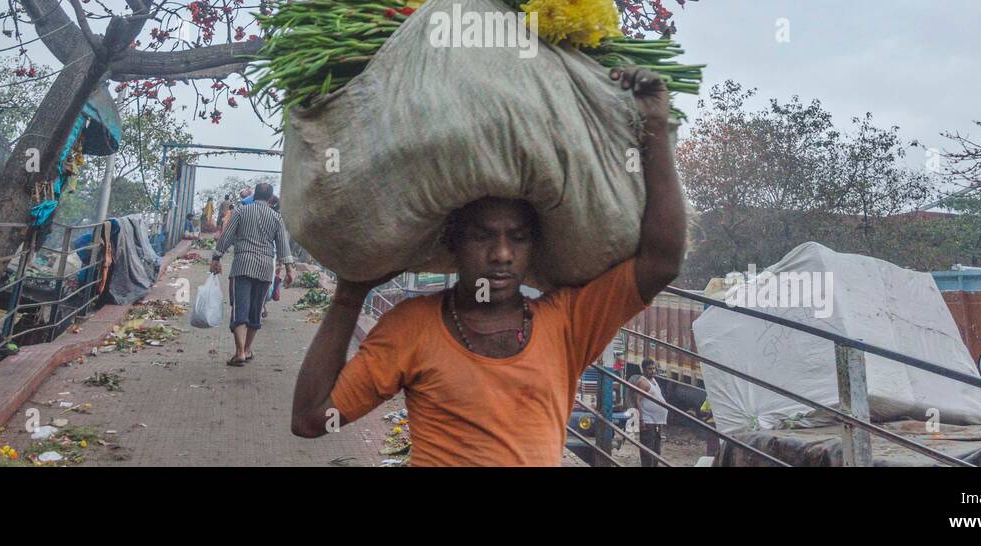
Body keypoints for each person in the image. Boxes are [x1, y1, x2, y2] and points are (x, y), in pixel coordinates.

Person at [291, 67, 686, 466]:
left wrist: (654, 127)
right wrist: (348, 297)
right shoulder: (411, 326)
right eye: (482, 237)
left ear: (534, 246)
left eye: (518, 238)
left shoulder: (569, 322)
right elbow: (311, 419)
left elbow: (662, 261)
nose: (501, 254)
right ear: (453, 242)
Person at [211, 182, 296, 367]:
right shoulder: (276, 218)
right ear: (271, 198)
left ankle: (239, 352)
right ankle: (247, 349)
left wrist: (216, 257)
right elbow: (283, 245)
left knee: (240, 309)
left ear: (254, 195)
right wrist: (289, 269)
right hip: (265, 267)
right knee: (255, 311)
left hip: (242, 265)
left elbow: (226, 237)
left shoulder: (241, 212)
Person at [630, 358, 669, 467]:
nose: (652, 371)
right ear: (643, 369)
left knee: (656, 450)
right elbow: (637, 400)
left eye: (653, 368)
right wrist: (641, 420)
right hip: (648, 421)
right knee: (648, 450)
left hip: (656, 421)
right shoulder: (643, 382)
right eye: (649, 369)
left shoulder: (653, 380)